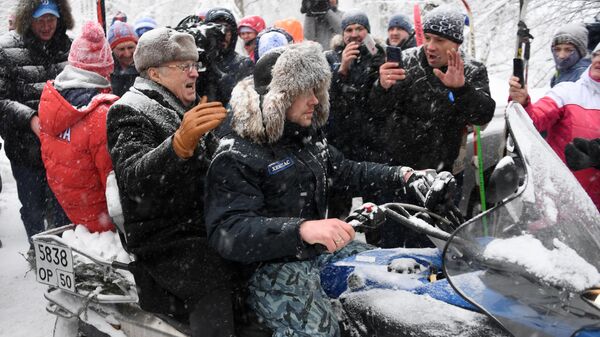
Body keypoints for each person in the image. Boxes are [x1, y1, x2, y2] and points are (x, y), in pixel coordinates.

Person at [205, 42, 456, 337]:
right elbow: (229, 231)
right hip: (268, 271)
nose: (314, 100)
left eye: (317, 90)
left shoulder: (302, 136)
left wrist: (403, 176)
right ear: (279, 97)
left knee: (396, 279)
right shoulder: (238, 152)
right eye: (305, 91)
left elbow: (346, 170)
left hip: (315, 253)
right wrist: (302, 230)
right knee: (324, 332)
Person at [106, 27, 237, 337]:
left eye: (195, 64)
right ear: (155, 73)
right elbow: (134, 178)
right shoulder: (129, 109)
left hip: (199, 221)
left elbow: (212, 159)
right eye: (184, 66)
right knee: (212, 277)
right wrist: (178, 145)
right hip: (165, 236)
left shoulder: (181, 104)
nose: (194, 72)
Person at [370, 6, 495, 246]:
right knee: (392, 245)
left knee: (432, 246)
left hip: (443, 176)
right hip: (400, 172)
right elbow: (377, 111)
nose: (430, 46)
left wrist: (462, 90)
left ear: (456, 44)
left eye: (439, 40)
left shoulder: (471, 69)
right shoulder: (406, 62)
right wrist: (381, 87)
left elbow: (483, 115)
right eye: (427, 38)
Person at [0, 0, 73, 246]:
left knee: (64, 205)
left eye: (51, 19)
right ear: (27, 19)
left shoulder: (68, 48)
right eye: (39, 19)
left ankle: (65, 258)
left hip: (64, 146)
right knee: (33, 208)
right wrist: (30, 119)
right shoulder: (5, 50)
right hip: (25, 149)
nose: (46, 26)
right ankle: (39, 253)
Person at [38, 21, 117, 232]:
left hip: (73, 212)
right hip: (105, 223)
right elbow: (113, 181)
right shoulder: (103, 113)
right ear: (105, 69)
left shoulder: (52, 101)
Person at [509, 43, 600, 209]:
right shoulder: (567, 92)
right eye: (597, 54)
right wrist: (522, 102)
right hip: (561, 202)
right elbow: (532, 121)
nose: (599, 60)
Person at [325, 9, 385, 163]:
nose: (354, 34)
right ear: (342, 34)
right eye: (349, 30)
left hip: (372, 135)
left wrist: (377, 68)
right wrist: (342, 69)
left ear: (368, 31)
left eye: (360, 29)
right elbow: (328, 99)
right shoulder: (331, 57)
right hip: (342, 136)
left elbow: (379, 99)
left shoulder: (378, 55)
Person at [202, 7, 254, 105]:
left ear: (233, 33)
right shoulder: (199, 63)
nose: (222, 34)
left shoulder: (244, 64)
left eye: (227, 29)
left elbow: (247, 104)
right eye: (216, 29)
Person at [550, 23, 591, 87]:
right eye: (557, 49)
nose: (561, 56)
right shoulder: (561, 72)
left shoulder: (584, 76)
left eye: (568, 50)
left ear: (580, 52)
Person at [107, 21, 139, 96]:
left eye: (130, 47)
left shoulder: (146, 66)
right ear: (112, 50)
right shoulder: (107, 70)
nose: (127, 54)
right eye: (121, 49)